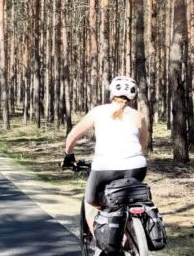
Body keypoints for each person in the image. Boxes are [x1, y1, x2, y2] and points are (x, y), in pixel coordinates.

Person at [62, 76, 148, 230]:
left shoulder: (98, 112)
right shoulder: (138, 116)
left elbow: (72, 136)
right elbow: (142, 146)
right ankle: (128, 237)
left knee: (92, 203)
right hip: (137, 167)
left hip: (105, 168)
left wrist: (69, 155)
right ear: (132, 96)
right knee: (128, 200)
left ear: (111, 93)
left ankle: (100, 246)